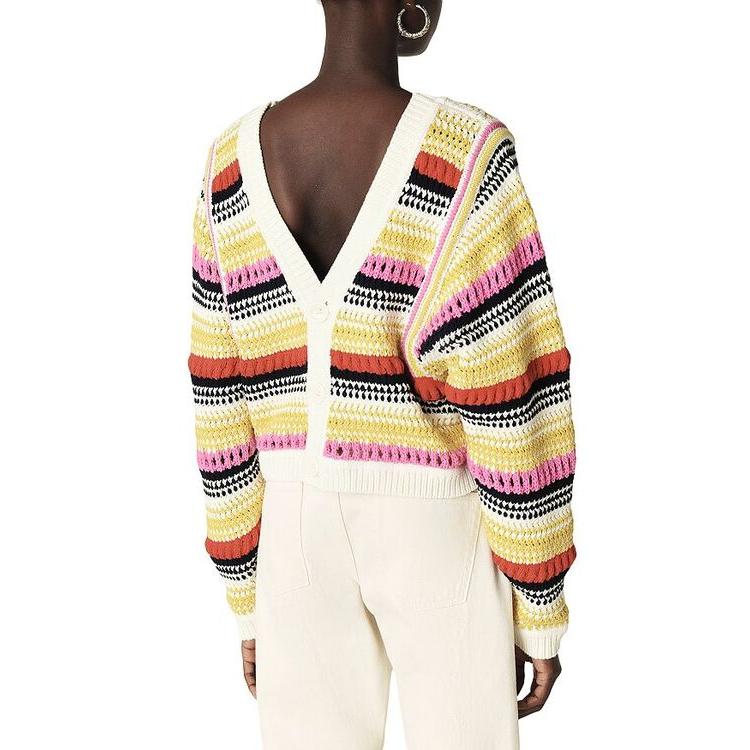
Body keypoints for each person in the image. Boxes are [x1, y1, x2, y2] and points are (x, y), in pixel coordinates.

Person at [187, 1, 576, 747]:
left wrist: (248, 595)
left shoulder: (228, 164)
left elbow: (219, 397)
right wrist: (539, 601)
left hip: (292, 530)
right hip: (435, 519)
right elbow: (512, 389)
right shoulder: (466, 155)